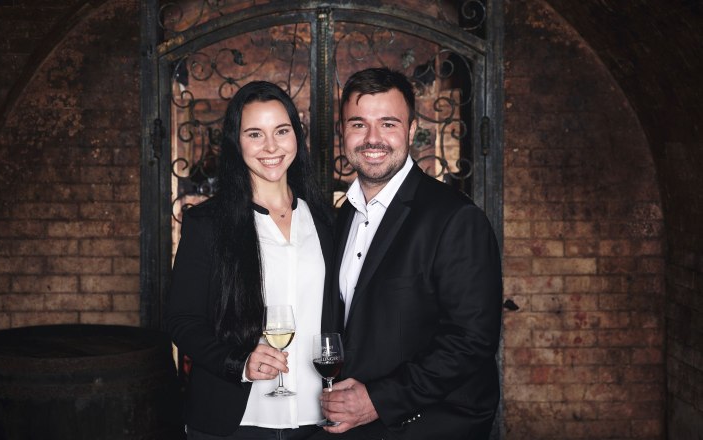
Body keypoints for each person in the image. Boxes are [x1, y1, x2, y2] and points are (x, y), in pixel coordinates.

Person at [315, 67, 503, 439]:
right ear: (342, 132)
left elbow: (470, 341)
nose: (372, 139)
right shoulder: (341, 217)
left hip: (427, 426)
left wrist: (378, 401)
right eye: (358, 124)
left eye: (388, 124)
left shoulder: (456, 218)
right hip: (351, 426)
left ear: (412, 130)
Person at [165, 81, 333, 439]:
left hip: (318, 420)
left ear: (296, 137)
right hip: (232, 422)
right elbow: (182, 320)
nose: (271, 146)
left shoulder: (328, 221)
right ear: (236, 142)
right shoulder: (207, 224)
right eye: (255, 134)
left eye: (281, 131)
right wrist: (238, 362)